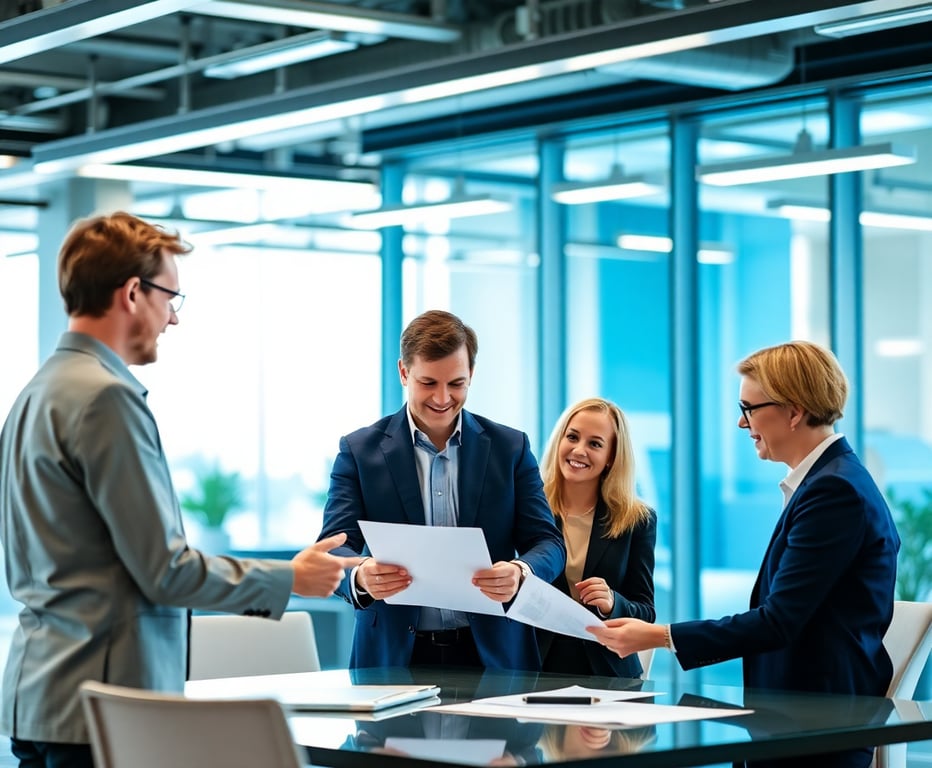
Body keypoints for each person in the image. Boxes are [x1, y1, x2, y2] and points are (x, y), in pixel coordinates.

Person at [0, 211, 360, 768]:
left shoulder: (35, 393)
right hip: (103, 706)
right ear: (132, 293)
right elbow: (164, 571)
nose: (173, 318)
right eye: (171, 297)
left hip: (43, 697)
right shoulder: (107, 399)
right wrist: (292, 577)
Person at [587, 340, 900, 768]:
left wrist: (658, 636)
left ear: (793, 411)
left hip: (815, 734)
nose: (741, 422)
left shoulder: (835, 491)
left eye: (749, 408)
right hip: (793, 722)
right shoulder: (827, 482)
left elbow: (779, 621)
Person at [318, 309, 565, 670]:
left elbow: (548, 543)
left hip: (495, 655)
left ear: (472, 375)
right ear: (404, 372)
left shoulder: (509, 448)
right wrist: (360, 575)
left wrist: (520, 572)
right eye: (428, 383)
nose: (443, 398)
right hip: (393, 657)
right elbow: (332, 549)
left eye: (457, 383)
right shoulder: (359, 452)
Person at [537, 397, 656, 678]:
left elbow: (646, 611)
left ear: (611, 458)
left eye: (595, 444)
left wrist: (613, 603)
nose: (579, 450)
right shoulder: (530, 508)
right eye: (573, 437)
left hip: (605, 671)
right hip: (535, 666)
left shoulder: (636, 520)